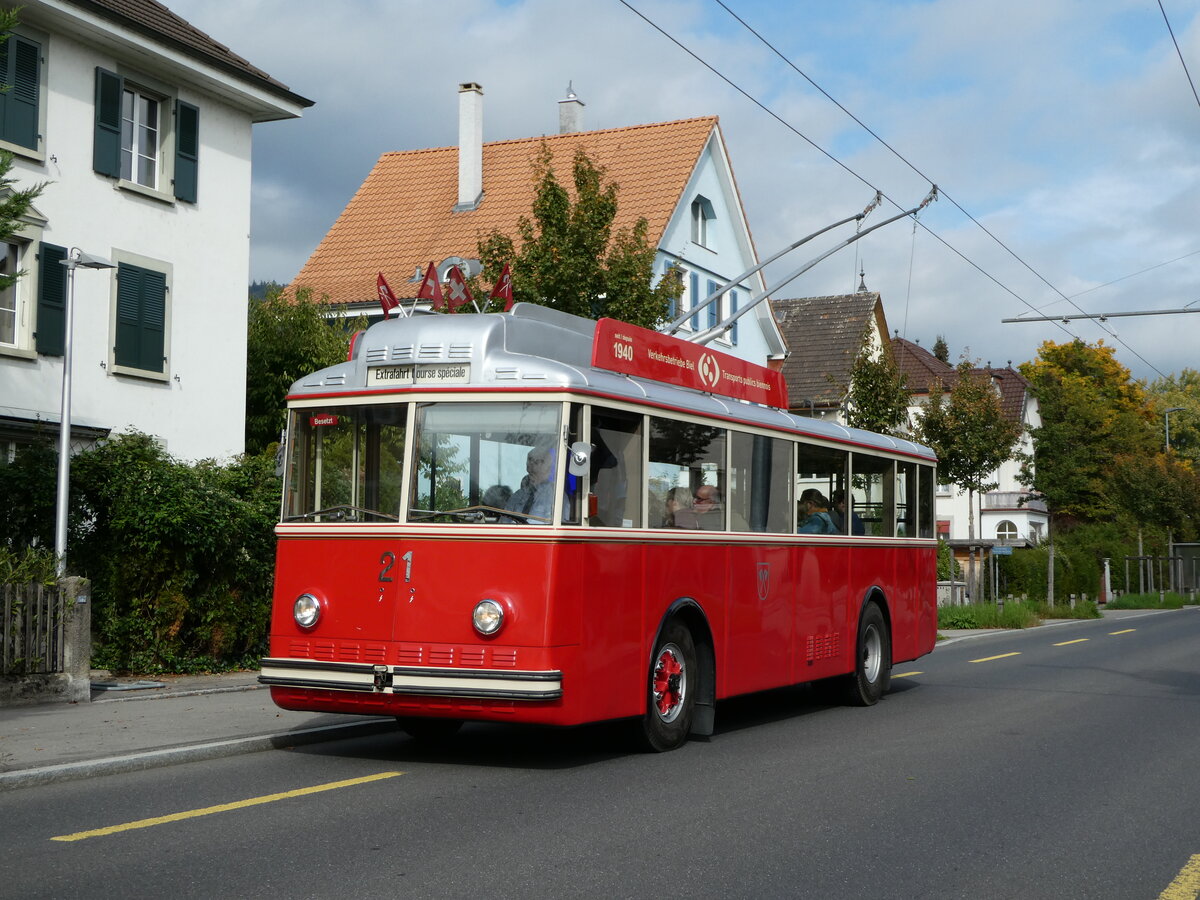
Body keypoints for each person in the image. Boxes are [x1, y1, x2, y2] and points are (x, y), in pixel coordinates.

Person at [503, 445, 557, 522]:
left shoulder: (555, 497)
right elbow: (504, 522)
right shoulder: (518, 496)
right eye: (529, 460)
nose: (530, 467)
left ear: (548, 468)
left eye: (537, 462)